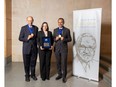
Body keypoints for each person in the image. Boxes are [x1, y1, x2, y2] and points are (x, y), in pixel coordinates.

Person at [19, 16, 38, 82]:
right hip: (26, 49)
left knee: (33, 63)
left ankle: (33, 75)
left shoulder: (36, 28)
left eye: (31, 20)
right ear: (27, 20)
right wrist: (27, 38)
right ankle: (27, 75)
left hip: (34, 49)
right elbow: (20, 38)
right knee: (26, 63)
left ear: (33, 20)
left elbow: (37, 38)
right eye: (29, 20)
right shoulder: (23, 28)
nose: (30, 22)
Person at [53, 18, 72, 83]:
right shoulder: (55, 30)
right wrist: (56, 38)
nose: (60, 23)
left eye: (61, 22)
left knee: (64, 63)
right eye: (59, 22)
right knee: (58, 62)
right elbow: (53, 39)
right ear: (57, 23)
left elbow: (70, 39)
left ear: (63, 23)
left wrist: (64, 39)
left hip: (64, 49)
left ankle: (64, 77)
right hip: (57, 49)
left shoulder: (67, 30)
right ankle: (59, 74)